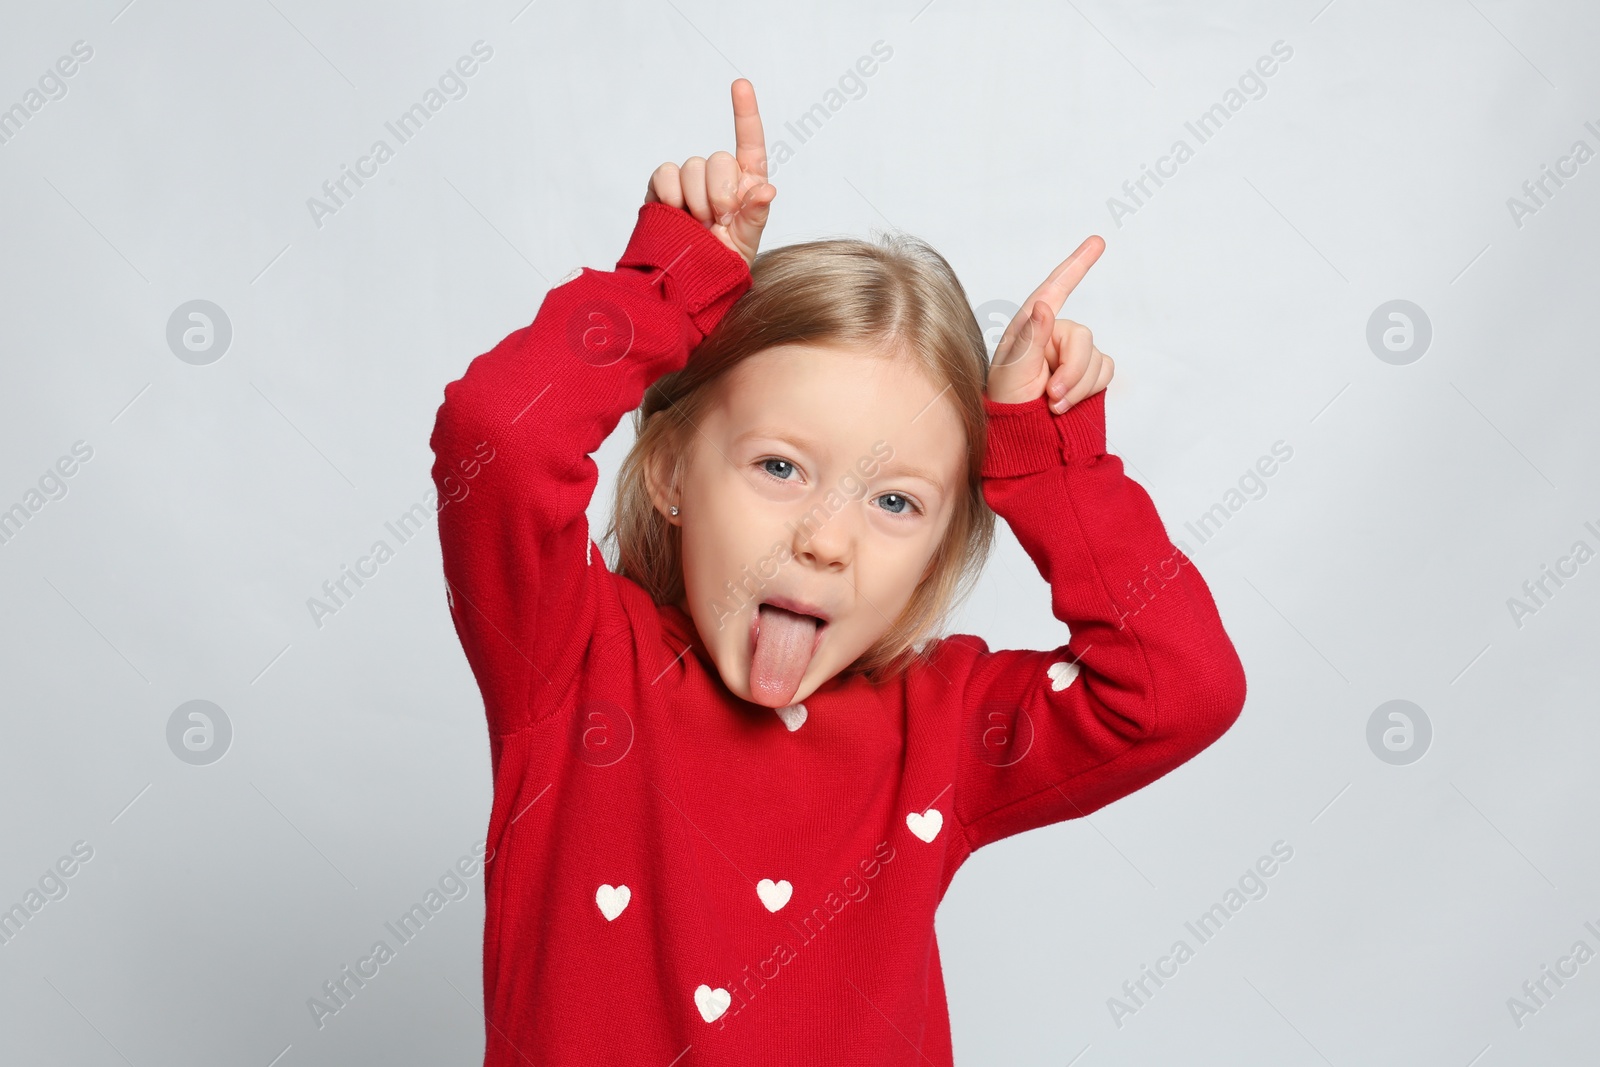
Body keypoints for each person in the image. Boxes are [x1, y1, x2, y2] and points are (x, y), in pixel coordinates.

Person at [429, 76, 1246, 1066]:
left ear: (936, 554)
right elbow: (497, 438)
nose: (826, 538)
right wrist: (672, 279)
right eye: (780, 466)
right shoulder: (571, 662)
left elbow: (1177, 688)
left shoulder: (937, 728)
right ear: (671, 470)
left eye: (894, 501)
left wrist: (1050, 459)